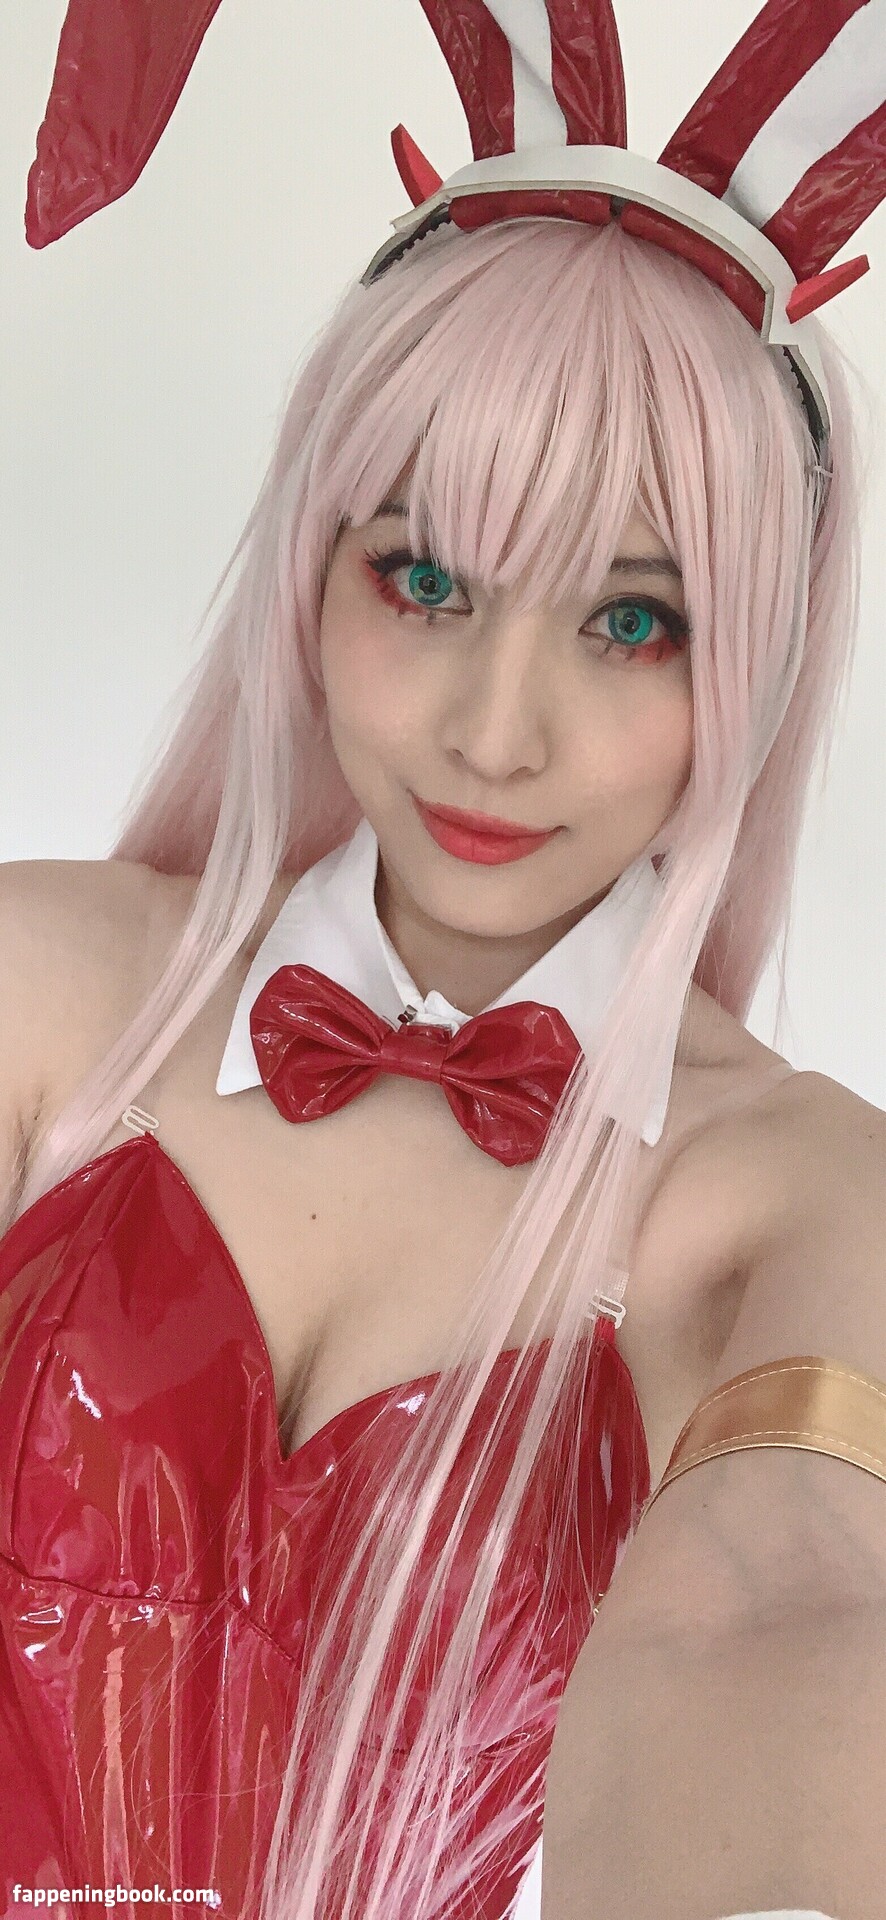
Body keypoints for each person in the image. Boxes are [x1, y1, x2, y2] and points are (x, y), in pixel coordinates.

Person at [3, 4, 884, 1918]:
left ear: (754, 663)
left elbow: (791, 1600)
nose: (495, 734)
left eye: (630, 621)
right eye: (424, 579)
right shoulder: (40, 998)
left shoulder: (792, 1187)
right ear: (307, 576)